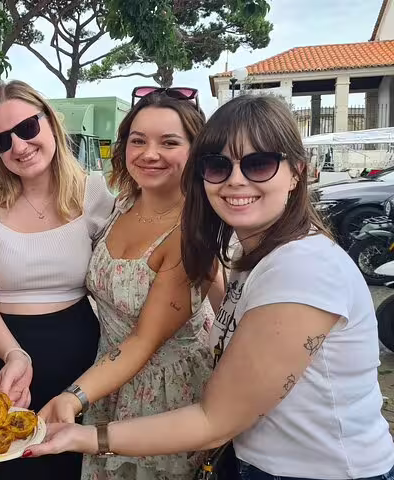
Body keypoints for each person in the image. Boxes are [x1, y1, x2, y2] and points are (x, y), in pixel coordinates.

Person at [25, 95, 394, 480]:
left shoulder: (304, 270)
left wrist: (84, 437)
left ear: (297, 172)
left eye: (259, 163)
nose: (236, 179)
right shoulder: (250, 253)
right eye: (218, 165)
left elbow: (214, 418)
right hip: (258, 459)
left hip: (323, 471)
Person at [39, 88, 216, 480]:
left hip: (164, 391)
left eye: (169, 142)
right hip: (109, 375)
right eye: (138, 140)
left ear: (196, 150)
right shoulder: (122, 203)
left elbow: (143, 341)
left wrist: (73, 395)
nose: (149, 153)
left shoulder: (190, 234)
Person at [0, 80, 116, 480]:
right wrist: (15, 353)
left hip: (77, 359)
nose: (19, 146)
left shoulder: (95, 191)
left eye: (27, 128)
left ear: (50, 122)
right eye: (1, 141)